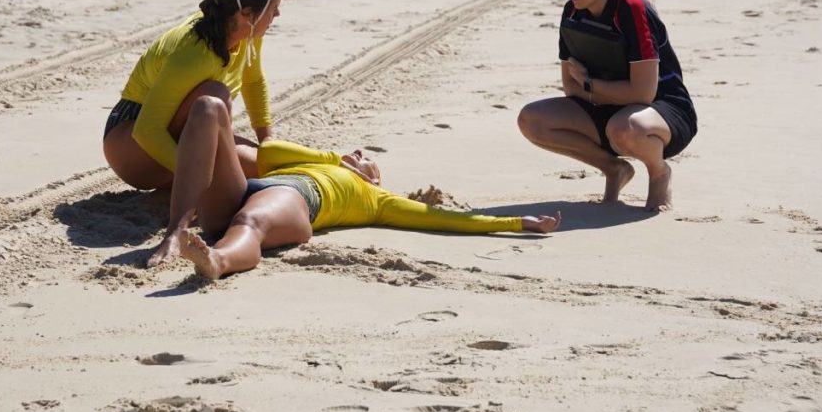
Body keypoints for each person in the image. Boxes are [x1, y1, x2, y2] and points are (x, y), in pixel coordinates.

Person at [160, 97, 560, 279]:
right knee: (209, 107)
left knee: (249, 220)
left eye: (367, 157)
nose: (358, 153)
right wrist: (334, 157)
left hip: (298, 200)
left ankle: (218, 261)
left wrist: (514, 222)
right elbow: (269, 149)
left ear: (376, 175)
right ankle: (176, 231)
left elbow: (441, 218)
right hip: (254, 187)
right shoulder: (326, 161)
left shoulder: (377, 199)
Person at [103, 0, 283, 266]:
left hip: (171, 135)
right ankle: (177, 225)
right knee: (215, 96)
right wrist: (199, 181)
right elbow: (146, 130)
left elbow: (254, 80)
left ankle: (182, 186)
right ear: (246, 13)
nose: (277, 15)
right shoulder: (195, 52)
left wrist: (267, 141)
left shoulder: (248, 31)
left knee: (264, 166)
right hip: (130, 143)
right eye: (274, 8)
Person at [517, 0, 697, 212]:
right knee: (531, 120)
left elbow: (643, 93)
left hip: (663, 111)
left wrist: (590, 82)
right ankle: (614, 169)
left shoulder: (633, 9)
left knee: (624, 128)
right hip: (606, 107)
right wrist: (592, 88)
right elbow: (570, 88)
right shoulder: (572, 12)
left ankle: (659, 172)